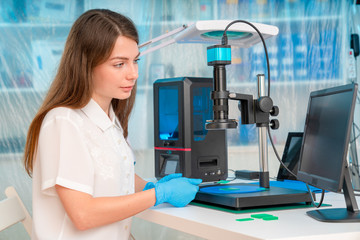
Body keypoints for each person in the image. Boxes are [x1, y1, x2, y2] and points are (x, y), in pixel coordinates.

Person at [24, 9, 202, 240]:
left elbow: (116, 174)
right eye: (119, 64)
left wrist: (147, 187)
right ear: (85, 65)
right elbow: (83, 215)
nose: (133, 73)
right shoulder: (64, 122)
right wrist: (158, 195)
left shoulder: (110, 116)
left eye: (135, 61)